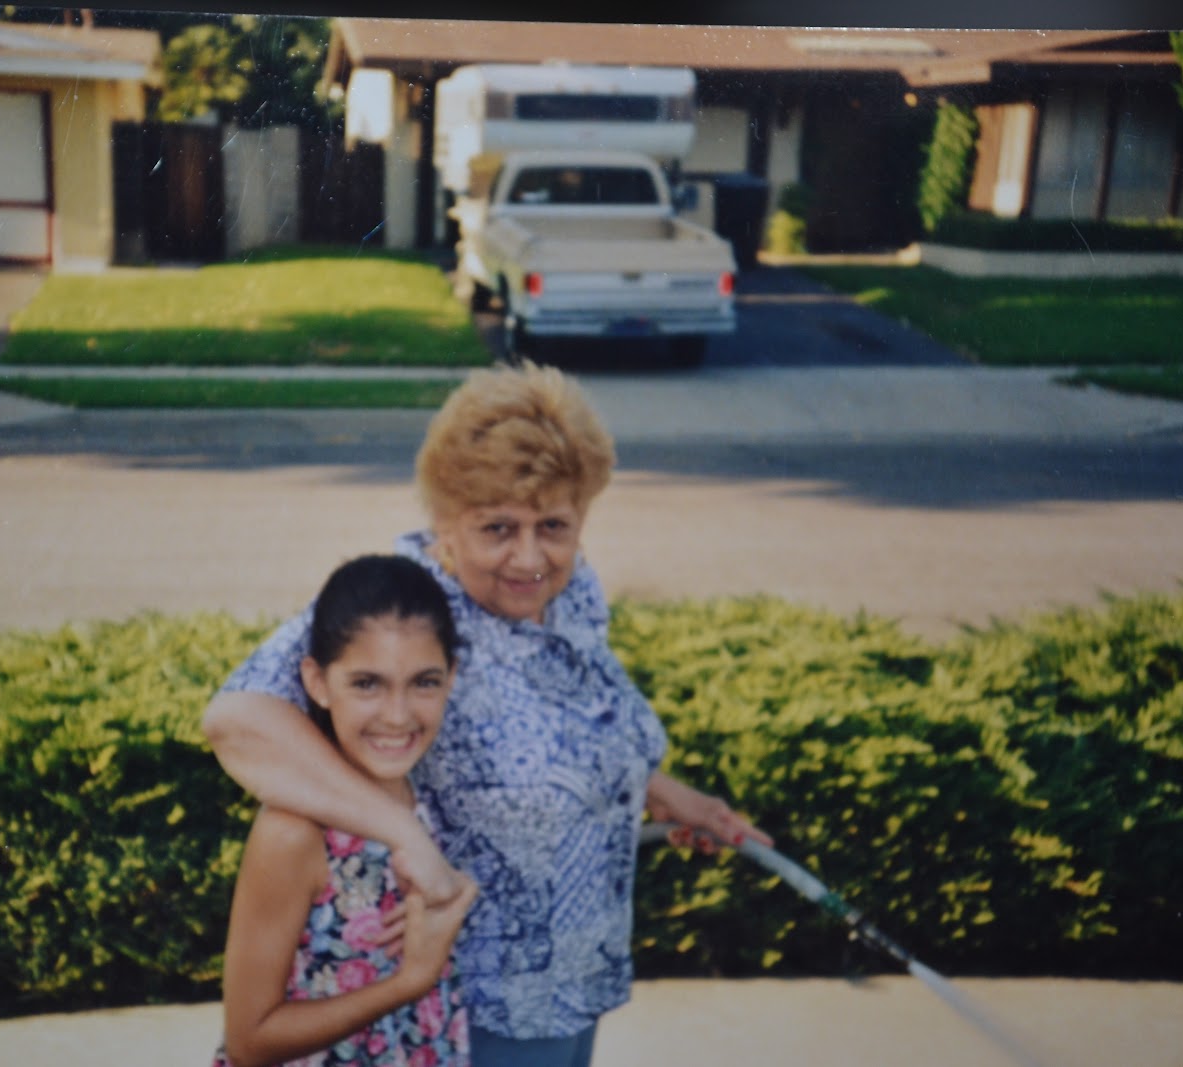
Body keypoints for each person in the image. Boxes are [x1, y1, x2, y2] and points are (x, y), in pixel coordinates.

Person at [204, 361, 769, 1067]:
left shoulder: (569, 595)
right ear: (445, 521)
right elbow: (239, 721)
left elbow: (570, 732)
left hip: (577, 978)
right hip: (478, 1001)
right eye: (498, 527)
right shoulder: (409, 609)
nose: (529, 557)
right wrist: (407, 837)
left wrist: (662, 791)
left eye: (554, 525)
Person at [211, 554, 478, 1067]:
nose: (397, 716)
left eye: (425, 681)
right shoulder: (292, 834)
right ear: (316, 682)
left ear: (452, 676)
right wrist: (411, 981)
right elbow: (249, 1042)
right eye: (366, 684)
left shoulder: (421, 791)